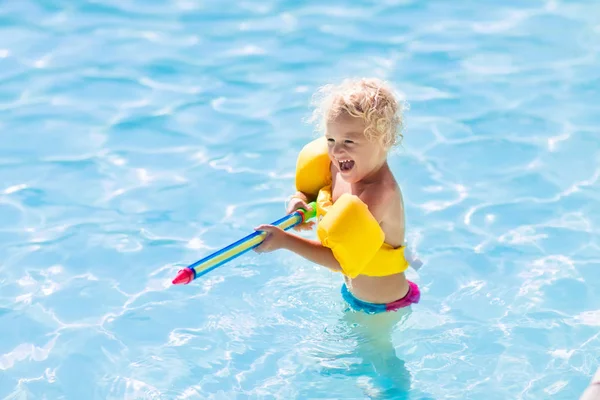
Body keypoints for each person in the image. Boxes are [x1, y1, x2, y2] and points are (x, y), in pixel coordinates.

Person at [254, 77, 420, 314]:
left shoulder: (379, 194)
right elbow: (312, 195)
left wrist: (285, 241)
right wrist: (298, 200)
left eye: (349, 141)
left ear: (385, 140)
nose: (337, 150)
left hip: (383, 305)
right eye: (331, 139)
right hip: (354, 293)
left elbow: (340, 259)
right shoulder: (337, 168)